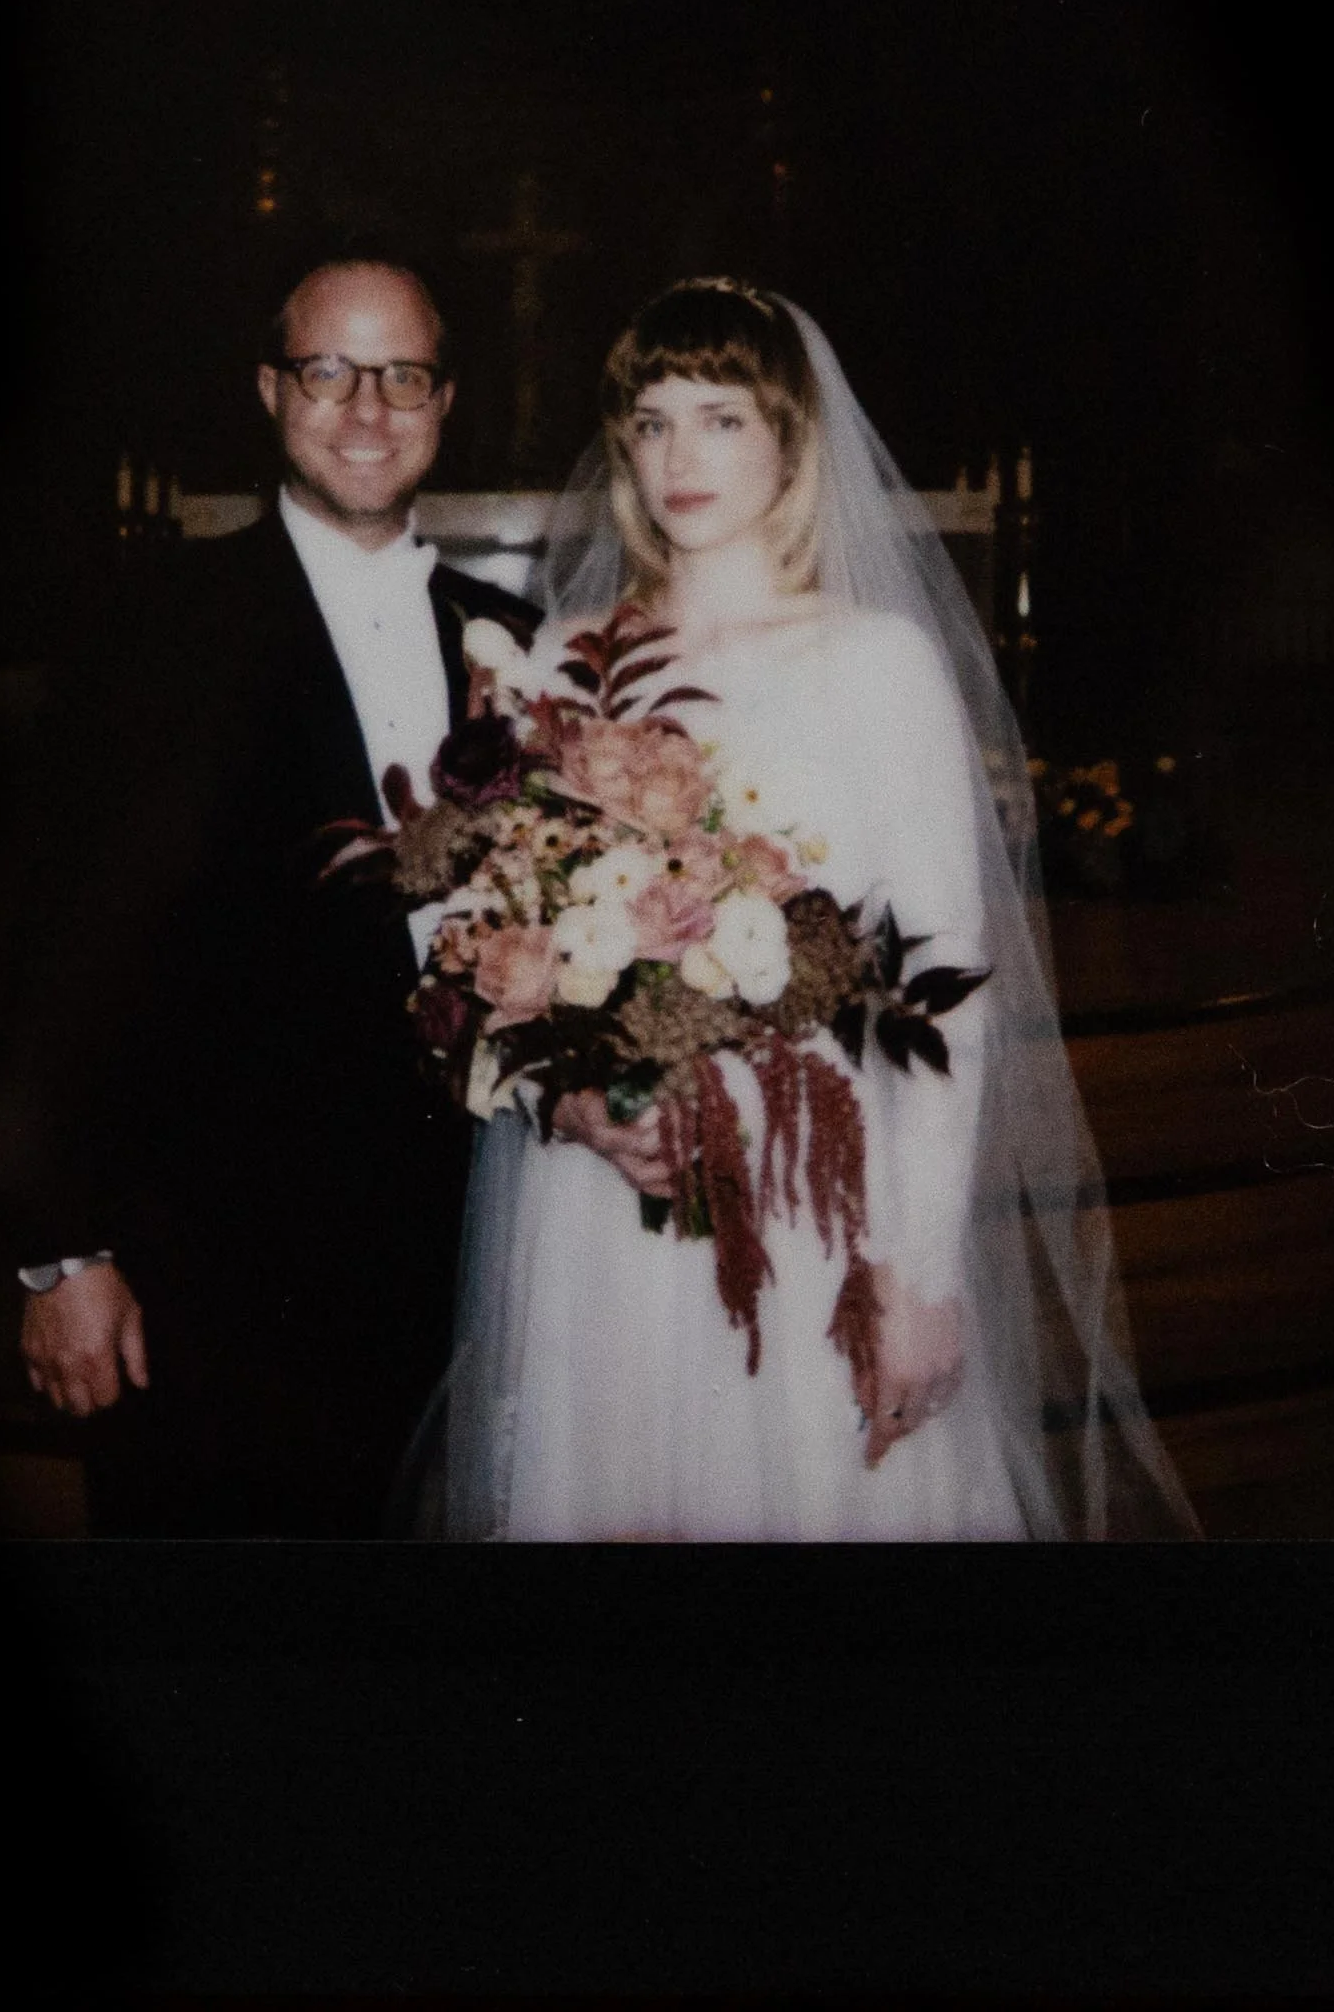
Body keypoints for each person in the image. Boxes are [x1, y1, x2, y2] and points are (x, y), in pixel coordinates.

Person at [440, 278, 1198, 1540]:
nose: (679, 454)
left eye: (722, 417)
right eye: (653, 419)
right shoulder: (571, 654)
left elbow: (942, 985)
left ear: (791, 438)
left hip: (809, 1191)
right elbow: (502, 941)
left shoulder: (872, 664)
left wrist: (922, 1275)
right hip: (606, 1199)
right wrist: (565, 1088)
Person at [0, 257, 538, 1535]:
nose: (365, 409)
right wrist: (62, 1252)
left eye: (401, 375)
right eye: (326, 370)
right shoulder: (154, 628)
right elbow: (42, 953)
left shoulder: (513, 632)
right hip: (219, 1279)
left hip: (475, 1255)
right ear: (268, 389)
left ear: (444, 399)